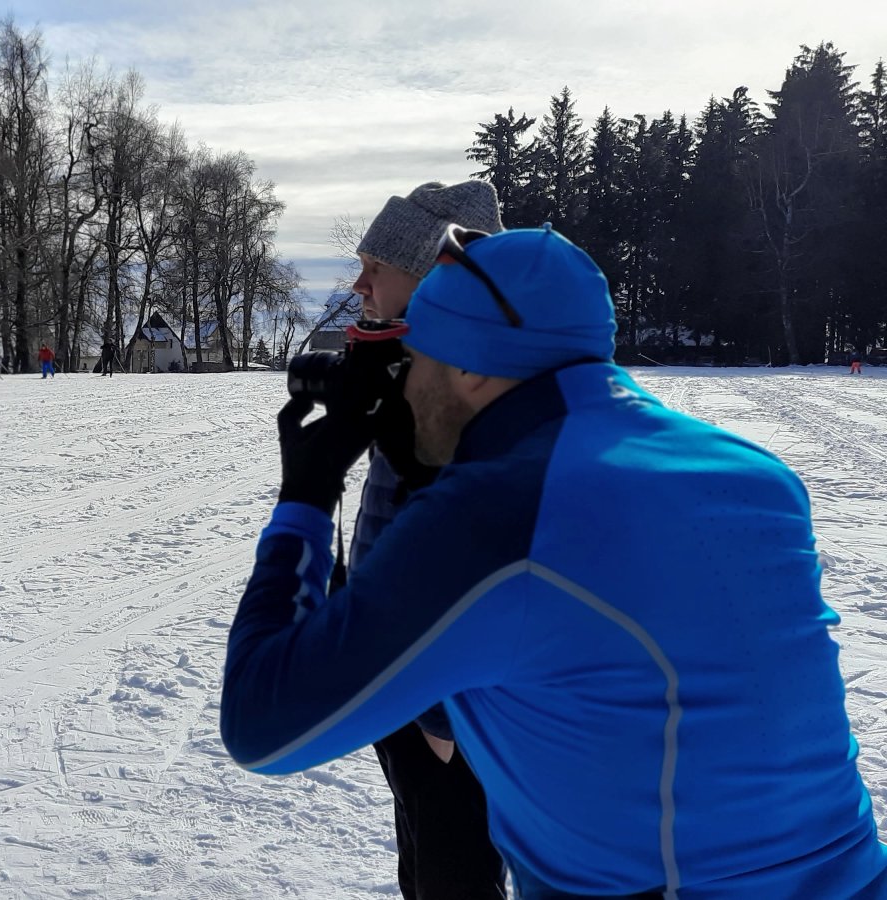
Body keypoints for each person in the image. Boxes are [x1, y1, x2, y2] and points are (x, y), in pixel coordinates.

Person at [222, 226, 887, 897]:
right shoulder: (754, 475)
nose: (407, 380)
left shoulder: (494, 515)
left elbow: (264, 726)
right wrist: (437, 469)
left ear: (473, 368)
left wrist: (305, 500)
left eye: (417, 354)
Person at [345, 180, 507, 899]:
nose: (358, 284)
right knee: (423, 849)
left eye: (375, 266)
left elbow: (478, 549)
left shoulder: (473, 378)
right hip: (402, 675)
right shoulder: (429, 362)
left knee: (456, 864)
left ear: (432, 270)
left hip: (446, 693)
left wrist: (441, 707)